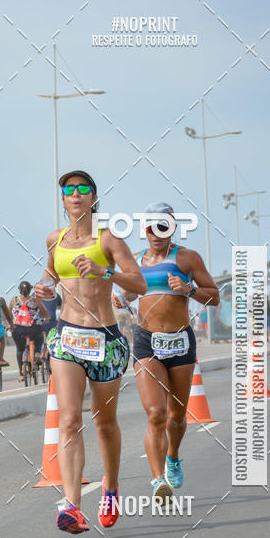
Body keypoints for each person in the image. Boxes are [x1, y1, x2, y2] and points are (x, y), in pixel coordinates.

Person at [34, 169, 147, 535]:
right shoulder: (55, 239)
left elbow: (139, 284)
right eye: (69, 189)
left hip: (105, 339)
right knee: (69, 420)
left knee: (104, 422)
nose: (76, 194)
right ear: (63, 199)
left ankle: (110, 488)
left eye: (83, 188)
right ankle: (72, 506)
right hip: (66, 336)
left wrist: (104, 271)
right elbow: (51, 274)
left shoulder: (109, 239)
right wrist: (43, 287)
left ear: (94, 198)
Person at [116, 202, 219, 503]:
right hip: (146, 341)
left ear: (173, 227)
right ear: (145, 229)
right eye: (151, 227)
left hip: (180, 341)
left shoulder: (187, 258)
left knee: (176, 416)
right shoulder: (136, 261)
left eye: (164, 226)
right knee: (156, 413)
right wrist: (121, 299)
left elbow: (214, 297)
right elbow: (130, 293)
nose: (157, 233)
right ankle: (158, 479)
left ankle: (172, 456)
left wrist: (189, 290)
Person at [9, 281, 49, 379]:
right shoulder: (35, 300)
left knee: (20, 350)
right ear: (30, 289)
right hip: (33, 328)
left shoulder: (14, 300)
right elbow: (46, 315)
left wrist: (11, 325)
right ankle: (37, 353)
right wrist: (45, 319)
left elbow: (9, 316)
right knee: (39, 338)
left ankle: (21, 374)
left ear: (19, 289)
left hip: (18, 330)